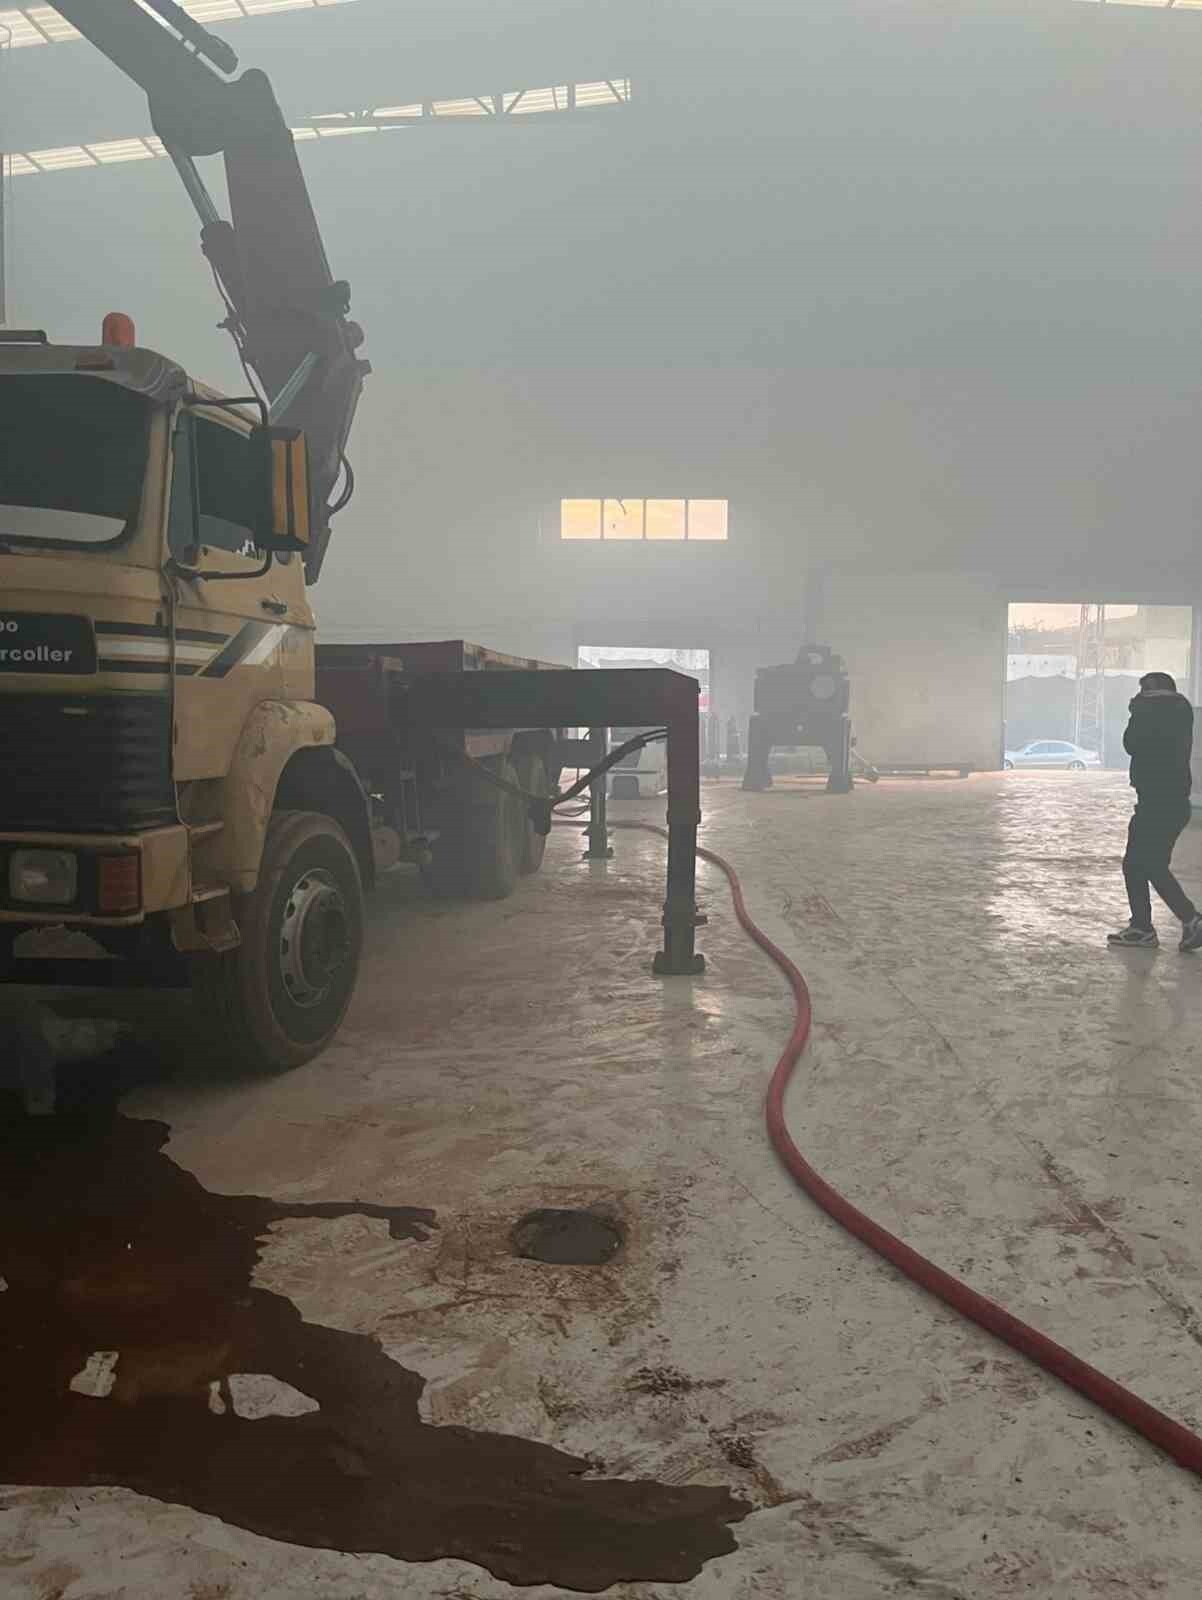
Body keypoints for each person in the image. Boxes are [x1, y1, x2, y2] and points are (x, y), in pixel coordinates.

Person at [1109, 671, 1202, 951]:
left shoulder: (1147, 711)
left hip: (1156, 803)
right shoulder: (1182, 709)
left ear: (1149, 691)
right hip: (1172, 803)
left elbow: (1131, 744)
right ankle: (1151, 926)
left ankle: (1181, 920)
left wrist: (1138, 708)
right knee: (1142, 864)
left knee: (1144, 865)